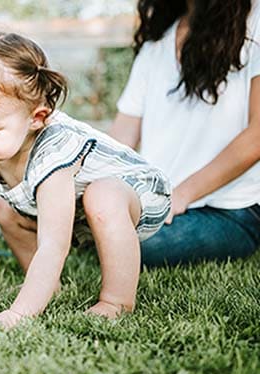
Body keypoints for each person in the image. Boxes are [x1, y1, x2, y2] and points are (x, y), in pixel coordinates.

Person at [0, 31, 172, 327]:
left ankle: (116, 300)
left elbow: (53, 244)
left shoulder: (54, 153)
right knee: (6, 210)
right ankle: (47, 287)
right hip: (78, 206)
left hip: (136, 194)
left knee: (103, 197)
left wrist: (19, 314)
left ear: (36, 118)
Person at [110, 0, 260, 266]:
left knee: (128, 243)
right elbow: (123, 134)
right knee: (98, 222)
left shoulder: (256, 20)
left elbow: (257, 136)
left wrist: (181, 195)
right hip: (158, 205)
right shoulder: (156, 44)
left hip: (232, 210)